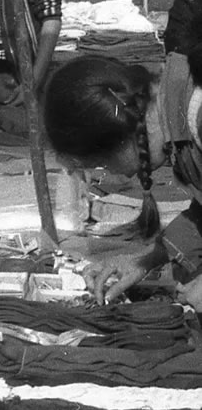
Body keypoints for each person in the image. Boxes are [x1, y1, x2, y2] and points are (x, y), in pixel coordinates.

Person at [43, 52, 202, 302]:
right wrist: (144, 260)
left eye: (104, 163)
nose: (116, 174)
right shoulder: (177, 118)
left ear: (119, 135)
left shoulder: (197, 114)